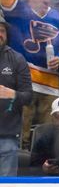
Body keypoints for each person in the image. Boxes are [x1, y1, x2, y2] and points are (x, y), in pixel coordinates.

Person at [0, 0, 59, 148]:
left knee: (47, 138)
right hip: (24, 83)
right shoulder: (18, 10)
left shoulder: (58, 17)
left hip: (50, 84)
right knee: (20, 136)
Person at [0, 15, 33, 176]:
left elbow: (28, 97)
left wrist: (12, 94)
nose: (0, 34)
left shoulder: (17, 59)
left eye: (2, 30)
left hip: (7, 136)